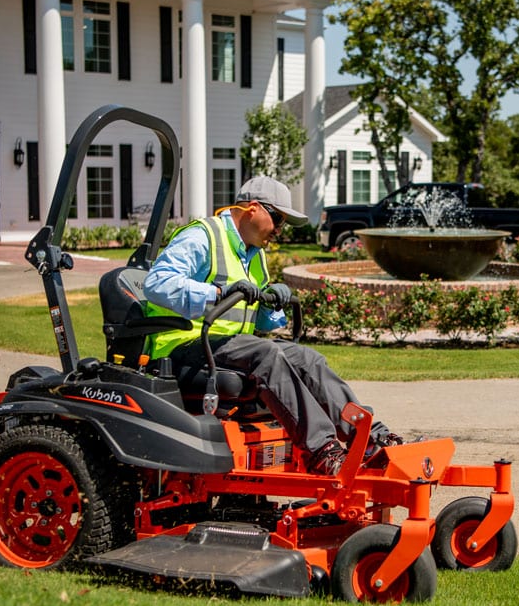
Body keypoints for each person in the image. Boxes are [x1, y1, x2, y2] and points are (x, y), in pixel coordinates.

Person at [143, 176, 401, 475]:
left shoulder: (255, 255)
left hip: (229, 347)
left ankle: (369, 438)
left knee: (307, 358)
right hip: (180, 346)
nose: (279, 230)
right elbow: (157, 283)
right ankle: (322, 451)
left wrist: (271, 302)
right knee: (267, 354)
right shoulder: (203, 236)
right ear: (252, 208)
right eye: (278, 219)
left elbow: (258, 321)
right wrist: (216, 292)